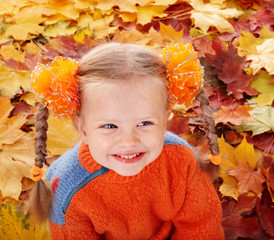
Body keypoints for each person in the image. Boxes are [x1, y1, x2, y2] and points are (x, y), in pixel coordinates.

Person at [28, 41, 225, 239]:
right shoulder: (68, 190)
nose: (128, 141)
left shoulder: (181, 161)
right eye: (110, 126)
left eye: (144, 123)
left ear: (165, 120)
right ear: (83, 128)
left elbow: (201, 227)